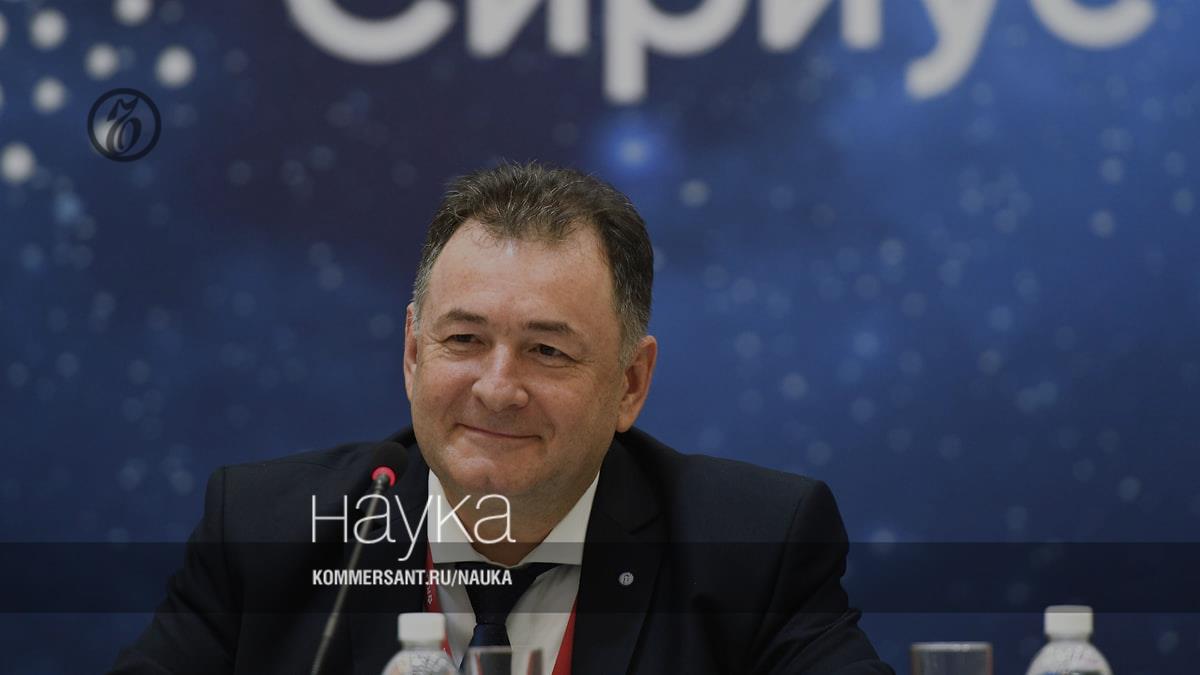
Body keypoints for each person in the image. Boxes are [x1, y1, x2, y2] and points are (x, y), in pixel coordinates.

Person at [110, 162, 894, 674]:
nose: (497, 387)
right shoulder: (265, 533)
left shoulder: (753, 547)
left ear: (630, 383)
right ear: (412, 352)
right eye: (464, 340)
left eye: (547, 351)